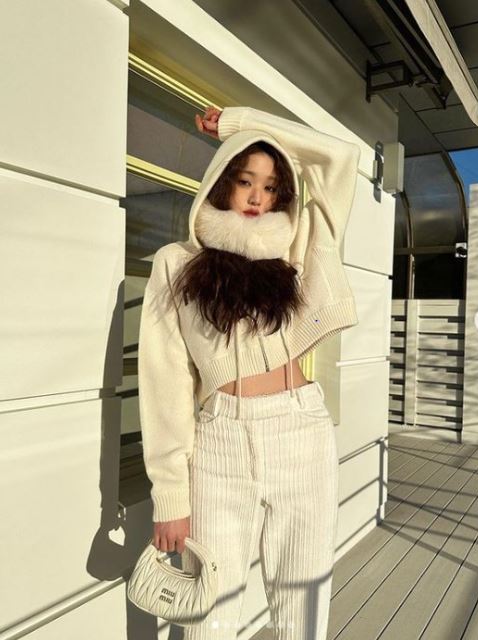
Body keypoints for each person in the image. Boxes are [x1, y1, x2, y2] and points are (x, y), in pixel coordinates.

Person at [138, 105, 361, 639]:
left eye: (270, 186)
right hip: (219, 440)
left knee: (302, 605)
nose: (257, 196)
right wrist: (170, 495)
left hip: (301, 430)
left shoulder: (294, 252)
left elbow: (341, 157)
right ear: (222, 184)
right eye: (245, 180)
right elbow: (165, 380)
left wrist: (242, 124)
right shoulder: (176, 263)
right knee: (209, 614)